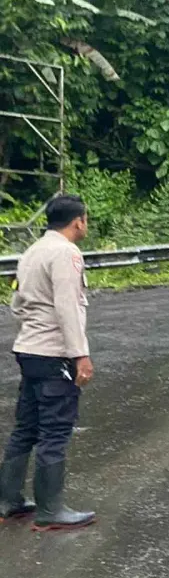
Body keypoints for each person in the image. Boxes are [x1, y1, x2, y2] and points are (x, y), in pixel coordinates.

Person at [0, 195, 96, 530]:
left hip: (28, 349)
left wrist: (31, 331)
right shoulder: (67, 253)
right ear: (77, 221)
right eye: (85, 219)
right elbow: (67, 307)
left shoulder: (32, 251)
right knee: (55, 430)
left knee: (25, 427)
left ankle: (8, 500)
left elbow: (16, 303)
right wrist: (80, 354)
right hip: (55, 353)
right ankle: (50, 510)